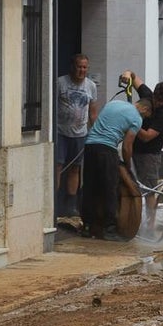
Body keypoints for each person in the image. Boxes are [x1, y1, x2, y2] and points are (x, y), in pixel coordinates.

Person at [80, 98, 152, 240]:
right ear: (144, 109)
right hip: (107, 150)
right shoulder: (137, 118)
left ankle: (87, 227)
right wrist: (128, 166)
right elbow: (127, 146)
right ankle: (110, 229)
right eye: (145, 116)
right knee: (109, 190)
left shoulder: (114, 103)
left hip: (89, 146)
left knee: (89, 188)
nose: (143, 118)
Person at [124, 70, 163, 235]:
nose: (157, 103)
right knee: (128, 185)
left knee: (149, 190)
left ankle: (150, 226)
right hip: (132, 148)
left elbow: (147, 137)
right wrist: (127, 75)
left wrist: (133, 118)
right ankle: (130, 219)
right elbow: (133, 75)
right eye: (156, 99)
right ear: (153, 93)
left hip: (149, 155)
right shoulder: (146, 94)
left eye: (161, 101)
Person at [55, 54, 100, 217]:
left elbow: (93, 113)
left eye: (84, 67)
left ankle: (71, 205)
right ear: (72, 66)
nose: (81, 70)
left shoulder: (91, 86)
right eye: (79, 66)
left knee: (75, 168)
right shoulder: (60, 83)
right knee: (58, 167)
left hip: (80, 134)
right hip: (61, 132)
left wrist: (96, 132)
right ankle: (53, 202)